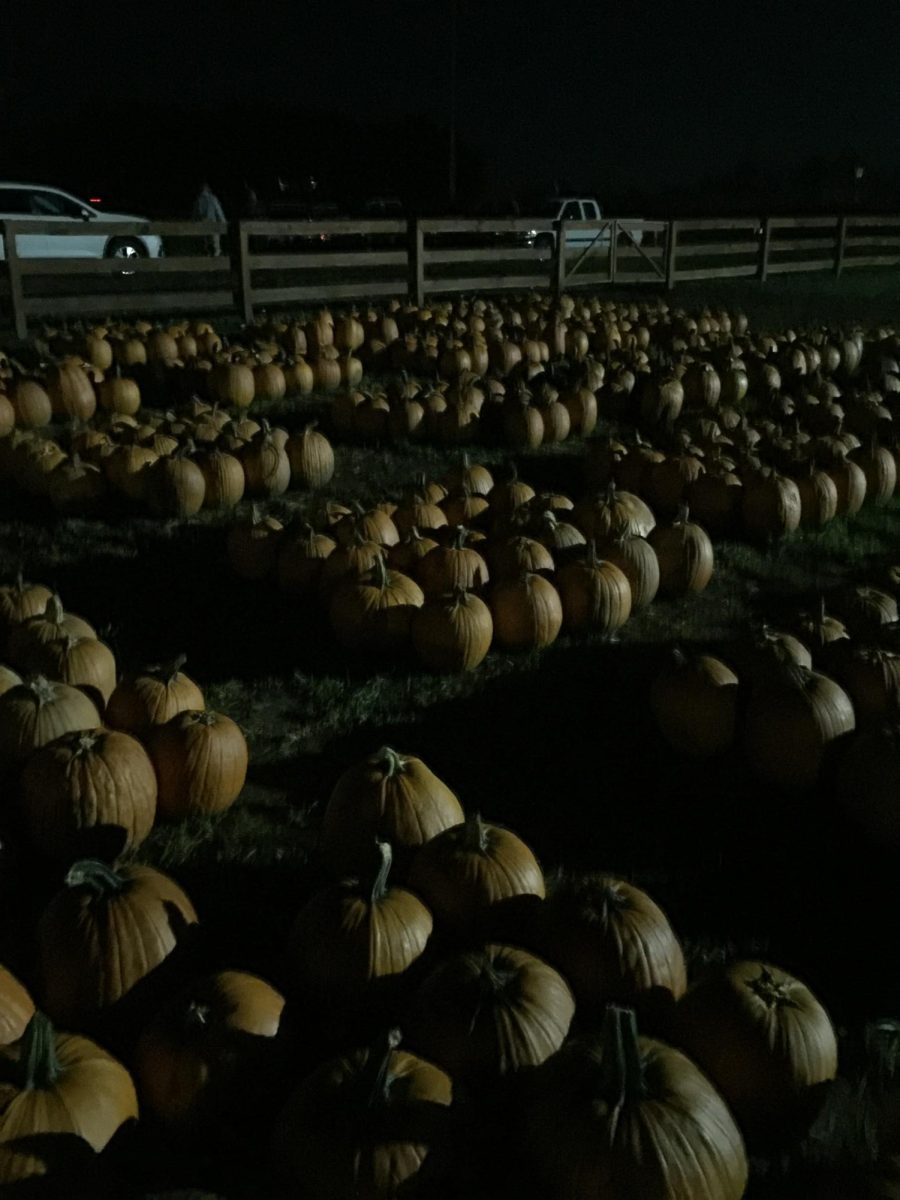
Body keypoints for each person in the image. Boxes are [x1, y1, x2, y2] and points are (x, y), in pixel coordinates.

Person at [192, 182, 226, 255]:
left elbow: (195, 217)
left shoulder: (198, 200)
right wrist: (224, 225)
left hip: (202, 227)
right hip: (213, 226)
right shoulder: (213, 198)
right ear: (207, 188)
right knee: (215, 249)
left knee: (205, 249)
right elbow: (219, 213)